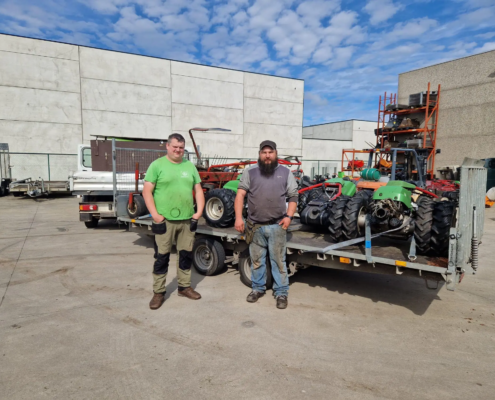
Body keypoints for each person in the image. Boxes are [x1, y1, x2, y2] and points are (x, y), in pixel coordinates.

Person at [143, 133, 205, 310]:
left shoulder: (190, 167)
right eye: (175, 147)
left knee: (185, 255)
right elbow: (147, 191)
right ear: (168, 147)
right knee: (161, 257)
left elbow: (198, 190)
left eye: (181, 148)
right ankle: (158, 292)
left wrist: (198, 212)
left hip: (187, 220)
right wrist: (155, 215)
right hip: (165, 221)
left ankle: (184, 287)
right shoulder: (157, 165)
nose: (178, 150)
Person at [234, 140, 298, 309]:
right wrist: (239, 218)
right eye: (264, 152)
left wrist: (289, 216)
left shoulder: (285, 173)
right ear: (260, 154)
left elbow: (293, 196)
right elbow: (240, 195)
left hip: (277, 226)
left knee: (278, 261)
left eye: (270, 152)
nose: (267, 155)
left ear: (276, 153)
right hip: (255, 226)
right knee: (256, 261)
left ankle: (281, 292)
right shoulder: (250, 172)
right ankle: (257, 289)